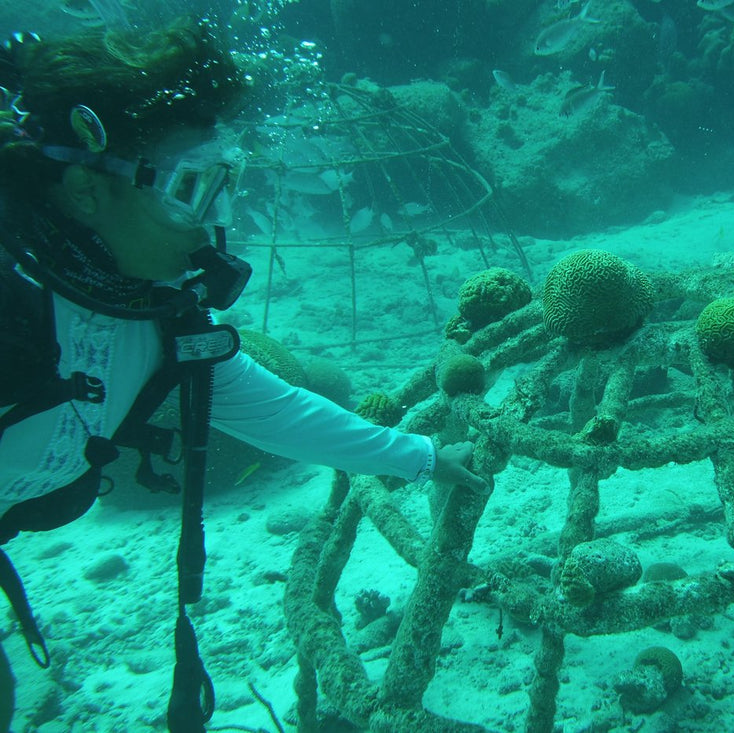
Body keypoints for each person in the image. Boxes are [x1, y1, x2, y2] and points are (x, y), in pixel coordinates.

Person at [0, 17, 485, 731]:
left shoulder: (156, 323)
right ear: (85, 189)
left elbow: (280, 411)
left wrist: (427, 456)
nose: (213, 224)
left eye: (225, 187)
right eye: (187, 190)